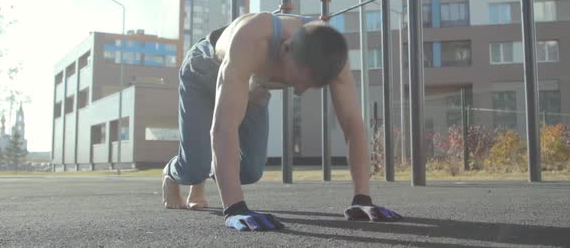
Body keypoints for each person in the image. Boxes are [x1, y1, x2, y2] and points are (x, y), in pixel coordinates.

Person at [162, 12, 402, 231]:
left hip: (254, 86)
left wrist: (362, 198)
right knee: (195, 165)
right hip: (205, 69)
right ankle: (173, 174)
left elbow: (352, 124)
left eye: (309, 85)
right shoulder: (252, 38)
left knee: (250, 171)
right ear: (285, 48)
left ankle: (202, 173)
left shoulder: (332, 57)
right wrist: (235, 208)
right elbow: (224, 126)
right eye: (295, 78)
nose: (298, 89)